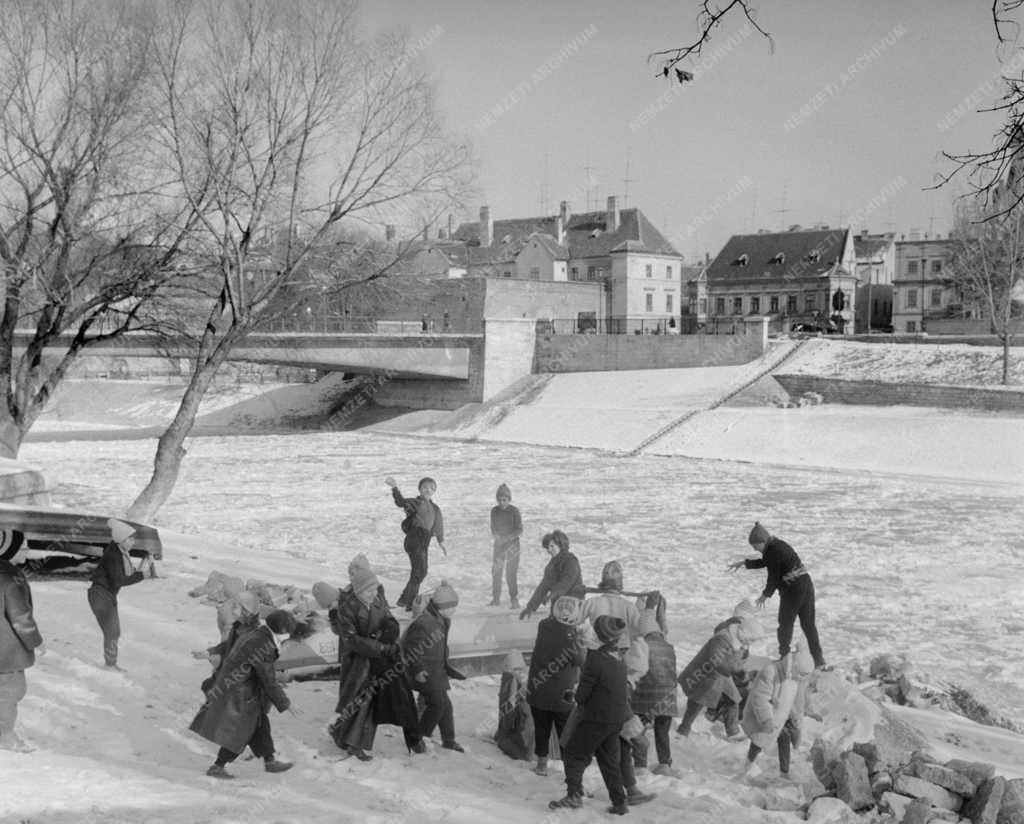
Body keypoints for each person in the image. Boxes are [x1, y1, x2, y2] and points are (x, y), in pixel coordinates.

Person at [191, 609, 295, 778]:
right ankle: (218, 766)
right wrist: (285, 703)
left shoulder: (257, 634)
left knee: (259, 724)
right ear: (282, 631)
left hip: (239, 689)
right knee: (241, 731)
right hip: (241, 694)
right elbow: (268, 679)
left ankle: (269, 760)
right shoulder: (263, 643)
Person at [549, 615, 631, 816]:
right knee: (609, 760)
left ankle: (574, 796)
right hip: (616, 718)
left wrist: (572, 695)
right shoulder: (619, 658)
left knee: (574, 754)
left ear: (599, 634)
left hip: (596, 718)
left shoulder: (595, 659)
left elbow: (584, 696)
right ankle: (619, 802)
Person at [728, 522, 826, 669]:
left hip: (793, 589)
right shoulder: (777, 545)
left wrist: (765, 595)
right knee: (808, 625)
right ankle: (818, 660)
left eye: (755, 546)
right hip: (806, 583)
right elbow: (766, 562)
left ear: (762, 541)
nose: (755, 549)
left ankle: (785, 658)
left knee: (785, 624)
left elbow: (773, 576)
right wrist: (744, 563)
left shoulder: (773, 551)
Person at [328, 556, 396, 760]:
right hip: (357, 662)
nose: (373, 594)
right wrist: (380, 647)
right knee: (361, 702)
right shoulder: (348, 607)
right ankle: (354, 745)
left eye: (375, 589)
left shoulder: (376, 600)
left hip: (374, 660)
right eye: (368, 591)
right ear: (358, 591)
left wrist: (392, 629)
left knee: (364, 703)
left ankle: (341, 733)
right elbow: (351, 640)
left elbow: (388, 617)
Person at [402, 581, 466, 752]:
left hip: (437, 670)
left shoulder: (442, 619)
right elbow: (409, 648)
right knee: (437, 705)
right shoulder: (424, 622)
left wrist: (448, 667)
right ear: (442, 606)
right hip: (426, 672)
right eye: (452, 607)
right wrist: (417, 670)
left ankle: (449, 740)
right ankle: (419, 740)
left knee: (446, 705)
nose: (454, 610)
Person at [677, 615, 765, 739]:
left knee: (733, 699)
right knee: (697, 702)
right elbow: (715, 660)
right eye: (751, 640)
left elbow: (737, 661)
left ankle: (732, 732)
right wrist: (735, 671)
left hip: (723, 676)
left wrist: (741, 671)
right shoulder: (722, 639)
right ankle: (683, 729)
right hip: (704, 675)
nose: (751, 643)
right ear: (745, 633)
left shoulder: (741, 642)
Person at [526, 595, 586, 776]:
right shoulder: (573, 638)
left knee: (541, 727)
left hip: (538, 690)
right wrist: (581, 640)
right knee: (565, 732)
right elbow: (580, 660)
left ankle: (542, 764)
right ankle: (571, 770)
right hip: (561, 694)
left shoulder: (543, 626)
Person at [740, 645, 814, 778]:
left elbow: (789, 700)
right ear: (796, 667)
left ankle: (784, 772)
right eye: (802, 674)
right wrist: (766, 719)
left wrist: (794, 714)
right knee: (758, 741)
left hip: (781, 717)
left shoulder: (794, 678)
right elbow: (760, 697)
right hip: (763, 716)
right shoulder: (770, 672)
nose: (803, 678)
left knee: (784, 740)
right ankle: (748, 765)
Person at [88, 518, 153, 670]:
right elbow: (118, 581)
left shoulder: (118, 550)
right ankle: (110, 664)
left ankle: (111, 663)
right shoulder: (114, 556)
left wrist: (141, 569)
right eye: (130, 539)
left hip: (106, 595)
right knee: (112, 631)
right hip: (100, 595)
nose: (133, 542)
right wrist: (142, 576)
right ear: (121, 539)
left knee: (114, 632)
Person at [0, 555, 45, 752]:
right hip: (5, 649)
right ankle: (5, 735)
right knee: (11, 691)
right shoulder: (9, 577)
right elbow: (20, 617)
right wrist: (36, 641)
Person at [386, 476, 447, 611]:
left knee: (422, 572)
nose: (428, 490)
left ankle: (403, 600)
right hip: (414, 538)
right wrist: (394, 487)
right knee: (419, 571)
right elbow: (401, 502)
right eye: (425, 487)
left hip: (424, 542)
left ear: (435, 490)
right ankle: (409, 604)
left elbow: (438, 526)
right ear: (419, 489)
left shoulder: (436, 508)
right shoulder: (416, 502)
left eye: (431, 488)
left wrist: (441, 542)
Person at [632, 606, 679, 777]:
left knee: (638, 729)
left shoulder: (641, 645)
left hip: (646, 697)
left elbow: (638, 670)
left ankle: (640, 764)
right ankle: (664, 763)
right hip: (668, 696)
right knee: (662, 731)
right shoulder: (669, 647)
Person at [519, 531, 585, 621]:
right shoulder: (551, 565)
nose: (549, 550)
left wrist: (553, 593)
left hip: (573, 605)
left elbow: (567, 581)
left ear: (561, 545)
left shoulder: (570, 561)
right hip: (558, 607)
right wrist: (530, 607)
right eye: (547, 547)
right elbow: (543, 587)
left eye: (552, 546)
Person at [579, 561, 642, 648]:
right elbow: (641, 630)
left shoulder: (591, 602)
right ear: (620, 584)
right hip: (621, 652)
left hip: (596, 650)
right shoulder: (629, 606)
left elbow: (575, 623)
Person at [494, 650, 533, 761]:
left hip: (527, 739)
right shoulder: (531, 676)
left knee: (504, 740)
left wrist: (502, 732)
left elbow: (509, 712)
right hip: (545, 735)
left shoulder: (511, 679)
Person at [489, 483, 523, 609]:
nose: (502, 502)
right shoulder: (494, 510)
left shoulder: (514, 511)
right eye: (500, 500)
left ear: (509, 499)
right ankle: (496, 599)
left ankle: (514, 599)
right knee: (496, 572)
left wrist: (506, 538)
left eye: (504, 500)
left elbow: (519, 529)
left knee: (511, 573)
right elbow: (493, 527)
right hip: (499, 545)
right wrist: (496, 536)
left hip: (513, 546)